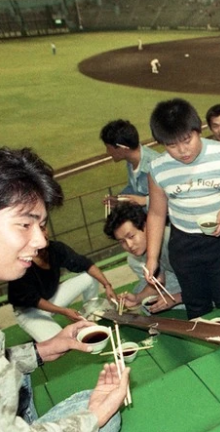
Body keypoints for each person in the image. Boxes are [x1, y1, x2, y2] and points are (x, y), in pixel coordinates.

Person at [0, 146, 129, 432]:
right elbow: (32, 299)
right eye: (25, 224)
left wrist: (42, 351)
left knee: (100, 409)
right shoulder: (21, 273)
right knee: (103, 416)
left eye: (42, 225)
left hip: (17, 416)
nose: (40, 241)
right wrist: (92, 418)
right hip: (31, 308)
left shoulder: (53, 249)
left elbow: (84, 264)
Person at [145, 98, 220, 319]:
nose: (182, 150)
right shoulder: (158, 169)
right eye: (172, 145)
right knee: (196, 305)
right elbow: (156, 214)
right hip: (184, 245)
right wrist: (152, 258)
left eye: (187, 140)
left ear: (197, 130)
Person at [8, 237, 115, 342]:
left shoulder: (55, 247)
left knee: (90, 277)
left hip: (51, 297)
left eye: (43, 228)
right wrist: (64, 311)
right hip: (29, 311)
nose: (43, 234)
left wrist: (107, 285)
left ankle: (89, 317)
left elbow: (85, 264)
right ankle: (43, 330)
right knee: (61, 343)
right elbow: (34, 300)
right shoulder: (22, 263)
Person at [104, 203, 183, 313]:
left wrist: (176, 299)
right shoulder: (146, 246)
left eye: (131, 236)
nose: (129, 245)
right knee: (145, 300)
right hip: (189, 281)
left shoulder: (174, 244)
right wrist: (137, 298)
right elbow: (159, 281)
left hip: (203, 285)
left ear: (146, 226)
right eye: (122, 241)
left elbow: (205, 282)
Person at [100, 119, 160, 209]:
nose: (107, 152)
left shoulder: (155, 165)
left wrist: (144, 201)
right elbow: (134, 189)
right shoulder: (131, 162)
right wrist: (119, 199)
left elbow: (173, 197)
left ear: (122, 148)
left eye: (108, 148)